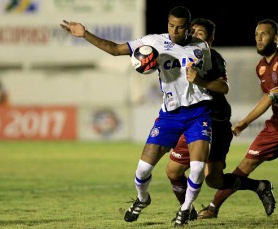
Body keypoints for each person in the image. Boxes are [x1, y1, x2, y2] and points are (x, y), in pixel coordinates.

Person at [61, 6, 214, 226]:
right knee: (143, 169)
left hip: (198, 112)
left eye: (180, 27)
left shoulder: (201, 47)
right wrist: (85, 34)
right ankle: (143, 199)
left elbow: (209, 78)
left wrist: (201, 81)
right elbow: (115, 49)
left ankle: (185, 209)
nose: (174, 30)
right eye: (171, 25)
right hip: (170, 114)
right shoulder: (154, 42)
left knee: (198, 167)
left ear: (188, 28)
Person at [197, 19, 278, 220]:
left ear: (276, 38)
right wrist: (245, 122)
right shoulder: (260, 67)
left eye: (264, 34)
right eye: (256, 34)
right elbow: (269, 97)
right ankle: (214, 207)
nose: (258, 39)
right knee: (248, 163)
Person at [166, 18, 276, 222]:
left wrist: (199, 80)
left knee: (214, 180)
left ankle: (259, 186)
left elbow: (224, 87)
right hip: (190, 122)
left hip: (215, 123)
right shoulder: (179, 55)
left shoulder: (213, 58)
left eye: (201, 33)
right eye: (193, 31)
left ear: (211, 39)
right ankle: (186, 209)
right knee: (173, 171)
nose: (195, 35)